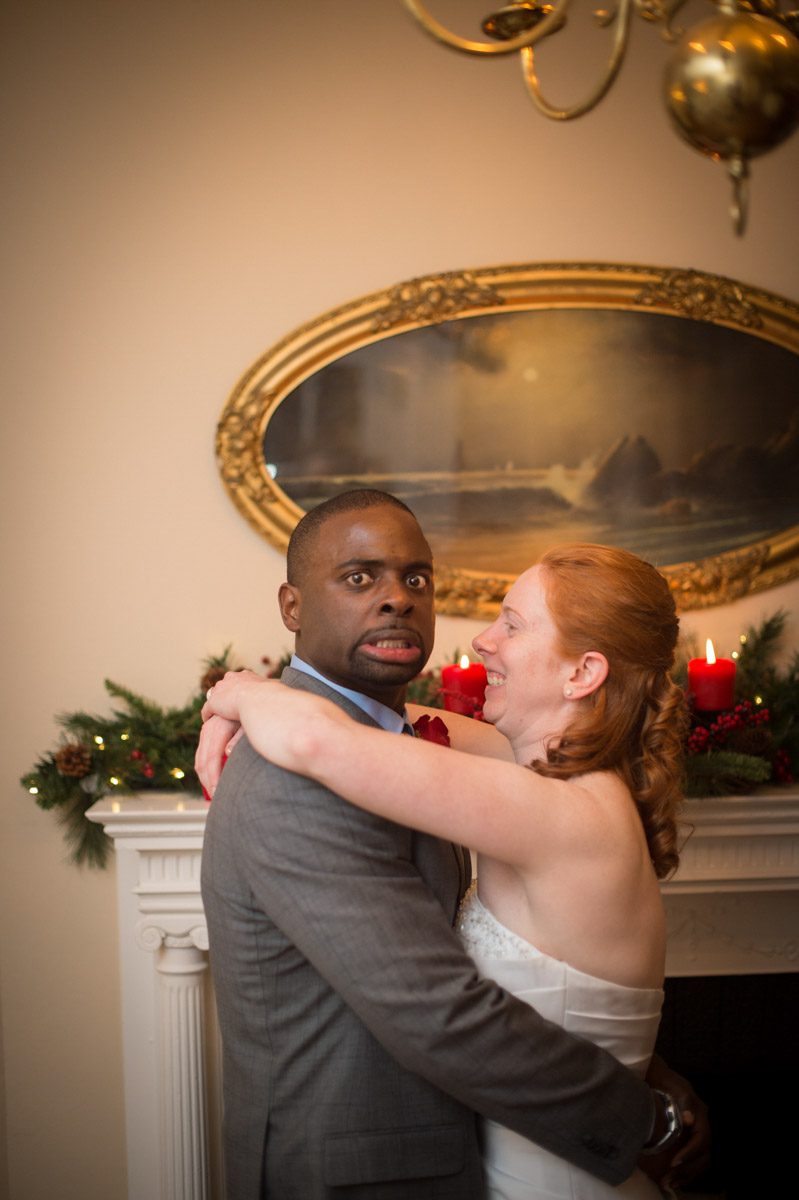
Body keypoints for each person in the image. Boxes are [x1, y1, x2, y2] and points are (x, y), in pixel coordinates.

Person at [199, 489, 707, 1199]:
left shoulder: (545, 800)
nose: (399, 599)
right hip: (356, 1173)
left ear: (582, 673)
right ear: (292, 607)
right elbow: (443, 1009)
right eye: (358, 577)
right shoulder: (323, 768)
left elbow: (328, 735)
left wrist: (245, 695)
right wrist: (643, 1108)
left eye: (416, 578)